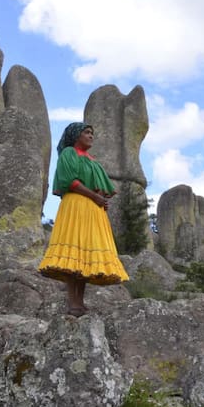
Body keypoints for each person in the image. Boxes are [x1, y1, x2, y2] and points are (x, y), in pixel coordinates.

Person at [39, 122, 129, 316]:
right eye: (86, 132)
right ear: (75, 135)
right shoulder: (69, 153)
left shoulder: (92, 161)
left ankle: (80, 302)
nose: (91, 136)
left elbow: (103, 187)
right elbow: (70, 181)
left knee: (85, 258)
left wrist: (101, 198)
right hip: (76, 206)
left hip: (92, 210)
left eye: (92, 133)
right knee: (74, 256)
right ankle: (73, 303)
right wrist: (95, 197)